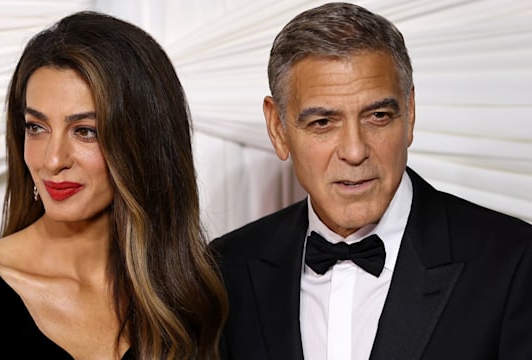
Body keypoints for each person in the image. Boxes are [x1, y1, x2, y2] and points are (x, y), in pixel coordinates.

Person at [211, 2, 532, 360]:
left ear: (409, 113)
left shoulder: (514, 262)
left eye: (378, 116)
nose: (354, 151)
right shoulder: (224, 271)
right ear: (278, 129)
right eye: (322, 123)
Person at [0, 11, 228, 360]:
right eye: (36, 127)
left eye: (84, 131)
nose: (53, 160)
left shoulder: (190, 297)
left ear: (141, 146)